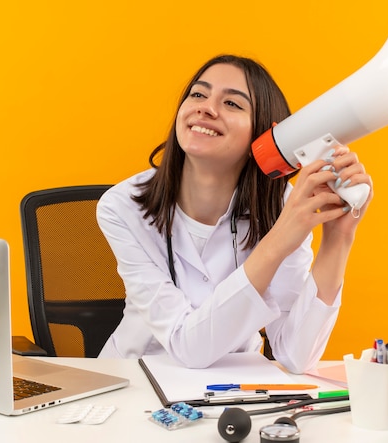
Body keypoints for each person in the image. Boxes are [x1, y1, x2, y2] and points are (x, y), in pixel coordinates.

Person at [96, 54, 373, 373]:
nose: (205, 107)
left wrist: (338, 239)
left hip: (233, 380)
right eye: (198, 94)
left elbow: (296, 355)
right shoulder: (121, 206)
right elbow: (188, 348)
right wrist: (279, 239)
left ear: (266, 137)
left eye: (232, 104)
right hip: (134, 378)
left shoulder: (284, 205)